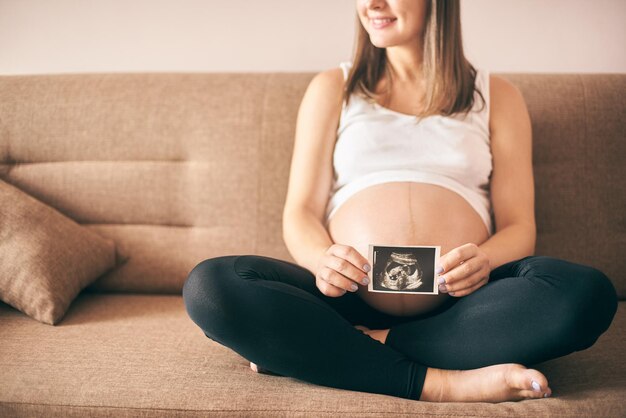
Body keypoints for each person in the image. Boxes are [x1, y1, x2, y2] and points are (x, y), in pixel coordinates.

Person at [182, 0, 618, 403]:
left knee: (587, 293)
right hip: (347, 297)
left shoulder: (496, 96)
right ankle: (441, 383)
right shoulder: (333, 87)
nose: (371, 3)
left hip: (463, 306)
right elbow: (300, 212)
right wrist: (322, 260)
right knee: (212, 285)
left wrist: (484, 260)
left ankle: (345, 346)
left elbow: (520, 225)